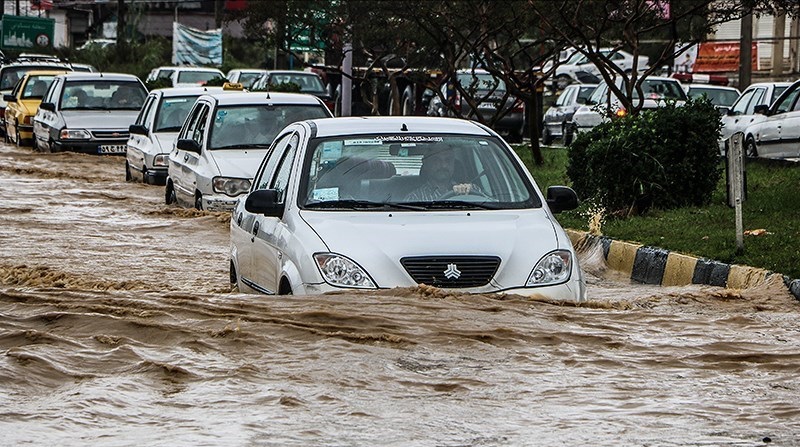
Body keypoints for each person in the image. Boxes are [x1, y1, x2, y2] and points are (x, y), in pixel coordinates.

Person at [405, 144, 478, 201]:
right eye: (436, 160)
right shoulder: (414, 198)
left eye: (448, 160)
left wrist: (467, 194)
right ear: (426, 164)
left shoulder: (472, 190)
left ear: (454, 163)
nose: (443, 165)